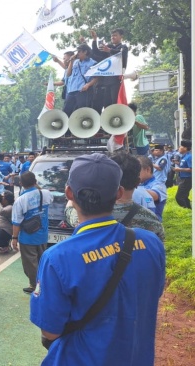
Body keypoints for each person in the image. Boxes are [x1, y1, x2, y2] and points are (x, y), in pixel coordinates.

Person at [30, 153, 165, 366]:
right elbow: (153, 294)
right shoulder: (151, 242)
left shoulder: (57, 258)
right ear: (119, 192)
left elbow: (51, 331)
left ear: (69, 193)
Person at [65, 152, 165, 241]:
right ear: (138, 182)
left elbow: (71, 214)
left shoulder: (94, 215)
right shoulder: (152, 220)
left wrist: (71, 199)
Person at [11, 172, 52, 294]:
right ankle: (44, 283)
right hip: (43, 234)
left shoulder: (21, 200)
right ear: (35, 181)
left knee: (30, 264)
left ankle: (34, 285)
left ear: (21, 184)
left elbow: (16, 222)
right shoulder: (46, 193)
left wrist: (14, 238)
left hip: (28, 237)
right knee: (41, 261)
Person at [63, 44, 97, 117]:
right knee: (66, 111)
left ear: (85, 52)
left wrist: (88, 85)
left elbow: (96, 78)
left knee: (82, 111)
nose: (77, 54)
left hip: (83, 91)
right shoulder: (75, 62)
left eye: (79, 51)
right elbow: (68, 74)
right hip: (71, 90)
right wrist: (71, 62)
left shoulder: (92, 63)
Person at [138, 156, 168, 221]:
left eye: (137, 170)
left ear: (148, 170)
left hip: (153, 225)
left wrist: (130, 188)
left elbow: (154, 195)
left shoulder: (158, 184)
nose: (134, 173)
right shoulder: (139, 183)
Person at [174, 140, 192, 209]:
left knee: (179, 197)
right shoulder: (184, 156)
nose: (179, 148)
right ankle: (189, 210)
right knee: (184, 196)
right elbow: (185, 165)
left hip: (187, 179)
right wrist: (178, 164)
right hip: (183, 178)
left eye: (180, 146)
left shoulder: (189, 157)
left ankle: (185, 210)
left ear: (185, 148)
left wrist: (179, 169)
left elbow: (191, 169)